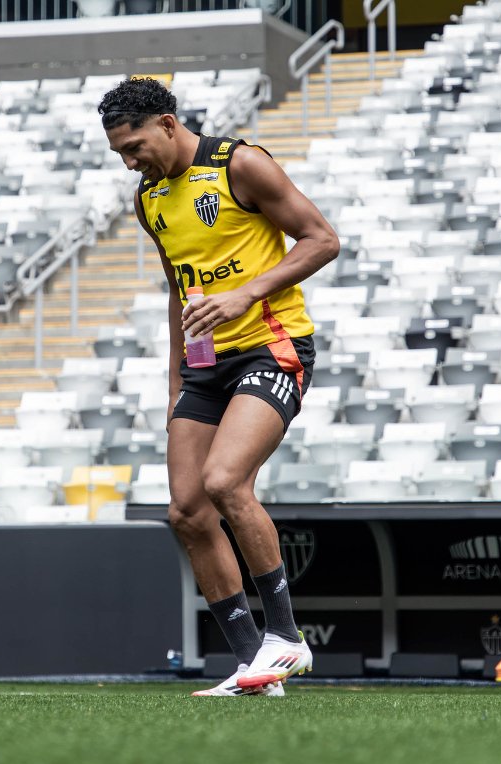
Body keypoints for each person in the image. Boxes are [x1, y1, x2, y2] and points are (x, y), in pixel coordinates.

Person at [99, 78, 340, 696]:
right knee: (186, 510)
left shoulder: (239, 164)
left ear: (169, 124)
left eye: (135, 145)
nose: (130, 161)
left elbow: (322, 239)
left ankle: (286, 638)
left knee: (225, 482)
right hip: (204, 366)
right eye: (120, 153)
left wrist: (247, 292)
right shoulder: (148, 201)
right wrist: (176, 381)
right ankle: (253, 667)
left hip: (273, 344)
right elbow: (179, 292)